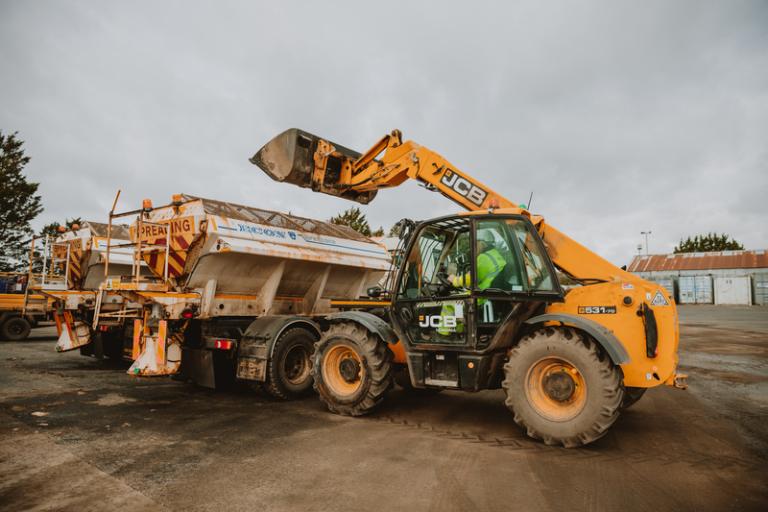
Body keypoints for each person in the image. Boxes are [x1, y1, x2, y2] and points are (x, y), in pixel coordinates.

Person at [436, 230, 507, 337]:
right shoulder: (495, 255)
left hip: (482, 297)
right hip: (491, 294)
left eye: (476, 244)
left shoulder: (484, 258)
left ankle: (443, 335)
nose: (474, 248)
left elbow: (470, 279)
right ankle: (460, 332)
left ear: (482, 243)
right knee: (459, 303)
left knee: (449, 303)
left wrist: (453, 279)